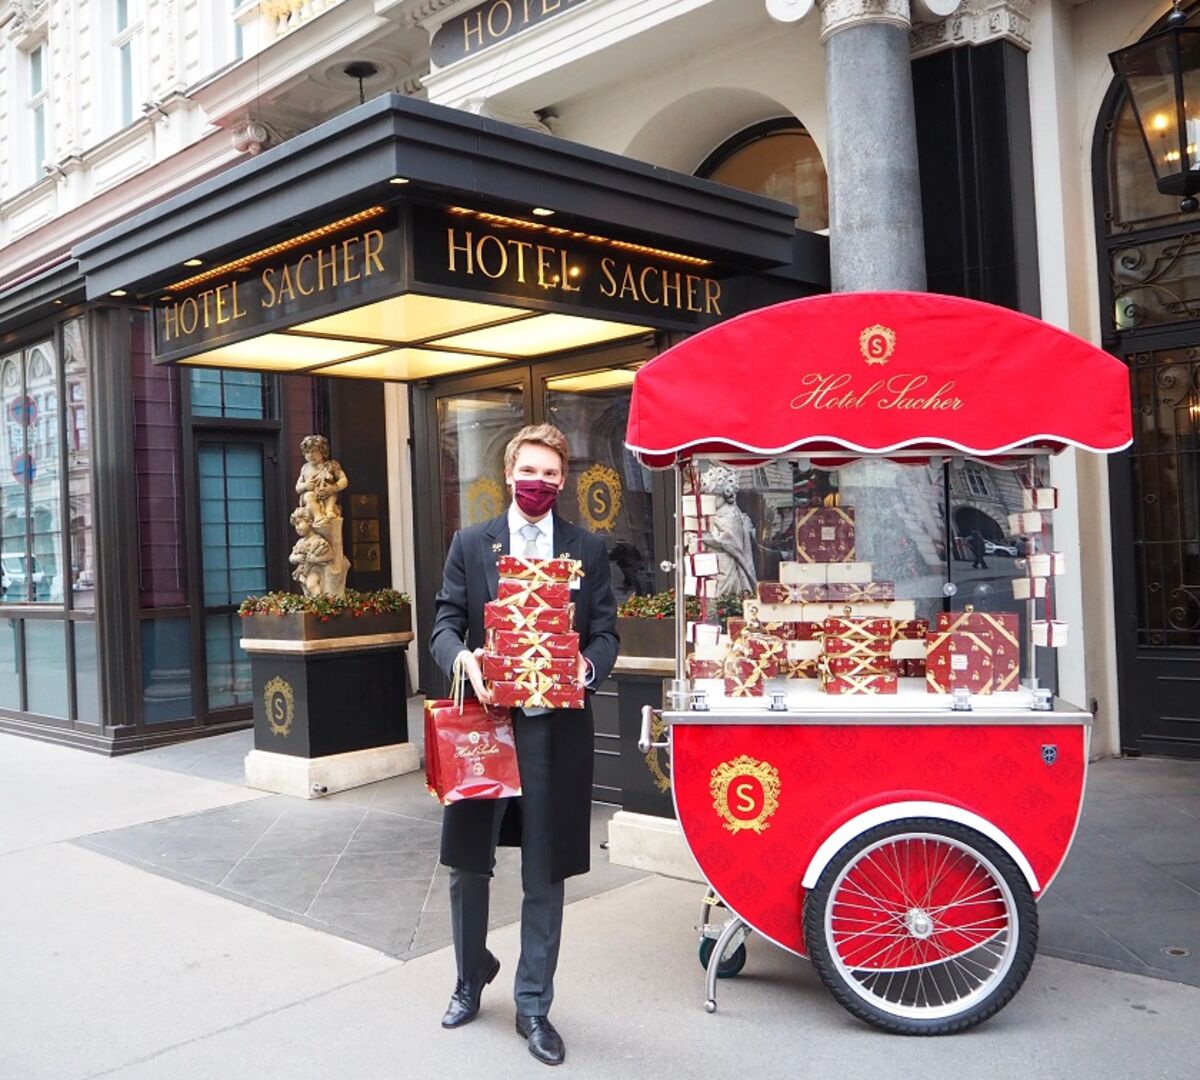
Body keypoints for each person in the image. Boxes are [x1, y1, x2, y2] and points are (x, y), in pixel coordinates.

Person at [429, 423, 619, 1067]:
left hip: (553, 730)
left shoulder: (587, 549)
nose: (539, 482)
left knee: (545, 868)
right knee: (469, 862)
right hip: (484, 727)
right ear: (509, 473)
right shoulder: (470, 543)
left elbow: (605, 635)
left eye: (550, 473)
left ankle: (534, 1004)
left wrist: (583, 668)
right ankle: (469, 975)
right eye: (529, 470)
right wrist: (463, 660)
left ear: (562, 481)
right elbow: (444, 623)